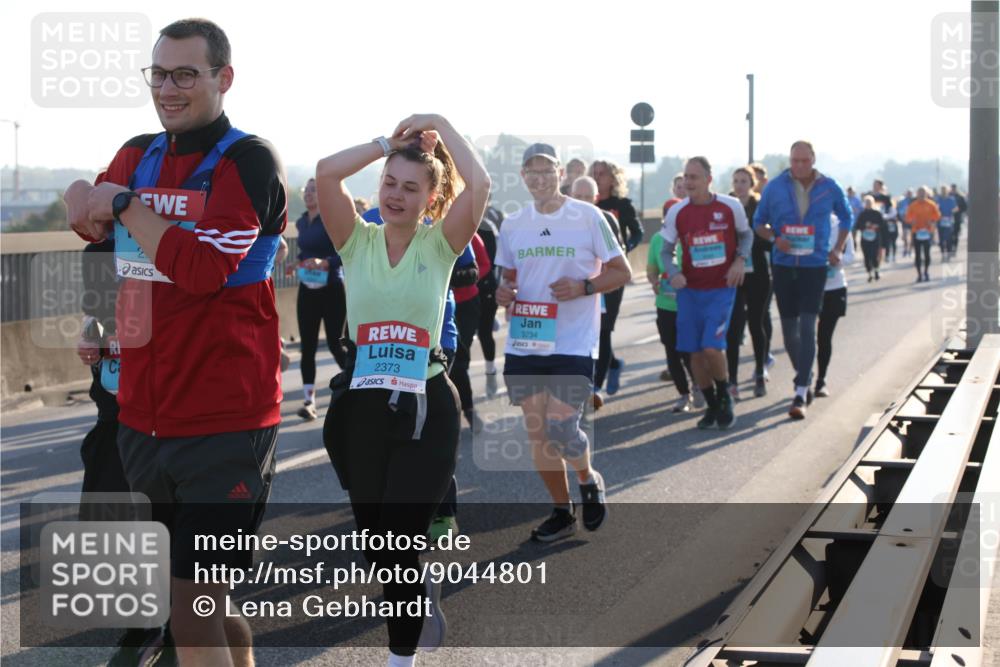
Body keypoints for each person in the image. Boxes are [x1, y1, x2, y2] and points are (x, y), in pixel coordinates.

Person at [63, 18, 285, 666]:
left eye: (186, 73)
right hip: (143, 419)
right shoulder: (139, 152)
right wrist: (84, 197)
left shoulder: (248, 161)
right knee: (195, 601)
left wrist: (125, 202)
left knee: (191, 608)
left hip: (227, 424)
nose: (169, 87)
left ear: (223, 78)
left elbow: (201, 269)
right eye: (159, 73)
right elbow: (100, 232)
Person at [317, 114, 489, 664]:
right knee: (378, 547)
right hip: (363, 408)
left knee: (400, 539)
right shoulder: (355, 242)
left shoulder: (440, 246)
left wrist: (439, 123)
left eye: (411, 188)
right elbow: (324, 174)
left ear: (430, 199)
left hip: (428, 406)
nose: (395, 194)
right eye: (390, 182)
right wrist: (386, 145)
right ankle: (416, 594)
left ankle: (401, 658)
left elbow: (480, 185)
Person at [496, 142, 631, 542]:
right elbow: (509, 279)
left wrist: (584, 285)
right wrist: (504, 293)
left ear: (560, 174)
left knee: (559, 426)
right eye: (531, 171)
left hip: (573, 341)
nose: (539, 178)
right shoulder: (513, 223)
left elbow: (621, 271)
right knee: (539, 433)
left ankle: (589, 479)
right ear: (522, 177)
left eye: (546, 170)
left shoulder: (589, 217)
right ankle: (562, 510)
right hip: (527, 341)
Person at [753, 140, 852, 420]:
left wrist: (837, 248)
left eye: (804, 161)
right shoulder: (774, 187)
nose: (799, 166)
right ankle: (805, 376)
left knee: (808, 327)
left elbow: (847, 217)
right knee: (788, 334)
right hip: (784, 264)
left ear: (813, 160)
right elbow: (758, 223)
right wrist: (775, 238)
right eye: (794, 161)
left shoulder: (829, 186)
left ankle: (800, 391)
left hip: (814, 264)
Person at [659, 156, 752, 429]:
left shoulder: (730, 206)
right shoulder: (678, 212)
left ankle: (724, 394)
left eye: (694, 177)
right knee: (694, 352)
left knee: (711, 347)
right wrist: (673, 272)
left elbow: (746, 236)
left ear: (708, 180)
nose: (688, 182)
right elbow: (665, 250)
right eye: (686, 177)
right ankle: (712, 405)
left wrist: (739, 260)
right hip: (690, 291)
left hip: (721, 288)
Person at [293, 177, 348, 420]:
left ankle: (358, 389)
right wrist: (298, 263)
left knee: (336, 343)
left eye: (314, 189)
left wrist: (325, 262)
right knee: (308, 346)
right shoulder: (302, 222)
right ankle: (309, 401)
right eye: (307, 189)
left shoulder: (330, 219)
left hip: (332, 287)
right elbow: (305, 251)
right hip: (308, 287)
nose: (308, 193)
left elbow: (346, 251)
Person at [570, 176, 626, 410]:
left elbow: (619, 254)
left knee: (602, 333)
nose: (583, 201)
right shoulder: (563, 222)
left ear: (596, 198)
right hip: (577, 287)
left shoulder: (607, 219)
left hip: (606, 285)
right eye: (578, 197)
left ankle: (595, 388)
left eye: (587, 197)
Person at [590, 159, 643, 395]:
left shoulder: (621, 205)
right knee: (590, 329)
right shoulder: (585, 204)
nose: (598, 177)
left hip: (612, 274)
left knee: (603, 329)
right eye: (595, 173)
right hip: (589, 272)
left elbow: (637, 232)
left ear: (613, 178)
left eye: (602, 174)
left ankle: (596, 389)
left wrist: (622, 251)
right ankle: (612, 364)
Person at [728, 166, 773, 400]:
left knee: (756, 324)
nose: (739, 185)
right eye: (736, 181)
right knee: (733, 328)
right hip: (734, 274)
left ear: (752, 183)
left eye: (744, 180)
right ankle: (732, 381)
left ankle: (759, 371)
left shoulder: (760, 207)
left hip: (758, 274)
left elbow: (770, 239)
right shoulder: (726, 206)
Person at [647, 210, 697, 413]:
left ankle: (699, 386)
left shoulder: (692, 237)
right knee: (672, 352)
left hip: (689, 305)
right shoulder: (657, 239)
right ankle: (684, 394)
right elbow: (651, 269)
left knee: (689, 352)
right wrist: (654, 281)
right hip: (665, 305)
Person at [816, 217, 856, 398]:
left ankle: (821, 380)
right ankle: (805, 378)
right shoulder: (808, 221)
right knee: (807, 336)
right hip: (810, 288)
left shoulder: (841, 227)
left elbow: (851, 256)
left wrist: (837, 258)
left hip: (835, 287)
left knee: (824, 337)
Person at [476, 202, 503, 397]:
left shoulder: (486, 227)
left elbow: (493, 263)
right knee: (463, 341)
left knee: (485, 333)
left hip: (485, 289)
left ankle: (490, 370)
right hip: (461, 292)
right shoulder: (456, 224)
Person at [905, 186, 940, 282]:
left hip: (927, 232)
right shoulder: (913, 205)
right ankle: (919, 274)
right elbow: (907, 217)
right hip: (916, 232)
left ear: (927, 194)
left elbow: (937, 216)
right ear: (917, 194)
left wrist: (932, 221)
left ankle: (926, 272)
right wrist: (912, 221)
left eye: (923, 193)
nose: (921, 194)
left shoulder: (931, 204)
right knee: (917, 254)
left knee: (927, 253)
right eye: (919, 192)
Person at [854, 195, 888, 282]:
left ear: (872, 203)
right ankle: (869, 273)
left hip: (875, 238)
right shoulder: (862, 214)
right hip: (865, 239)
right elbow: (857, 226)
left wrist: (875, 226)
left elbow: (883, 225)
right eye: (866, 202)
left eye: (869, 202)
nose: (868, 204)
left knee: (874, 255)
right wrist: (865, 226)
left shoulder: (877, 213)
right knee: (867, 256)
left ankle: (876, 271)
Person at [936, 185, 958, 260]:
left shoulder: (951, 199)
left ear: (947, 191)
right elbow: (935, 209)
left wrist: (951, 211)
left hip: (949, 221)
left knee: (949, 239)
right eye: (942, 190)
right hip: (940, 221)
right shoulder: (938, 199)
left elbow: (956, 208)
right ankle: (943, 254)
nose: (943, 192)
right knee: (941, 239)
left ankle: (948, 254)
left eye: (944, 190)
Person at [897, 189, 914, 258]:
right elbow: (900, 210)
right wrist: (903, 217)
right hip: (905, 220)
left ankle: (910, 250)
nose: (909, 194)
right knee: (905, 236)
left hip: (913, 221)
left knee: (912, 236)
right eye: (908, 193)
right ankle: (905, 249)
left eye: (910, 193)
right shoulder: (902, 202)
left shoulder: (914, 201)